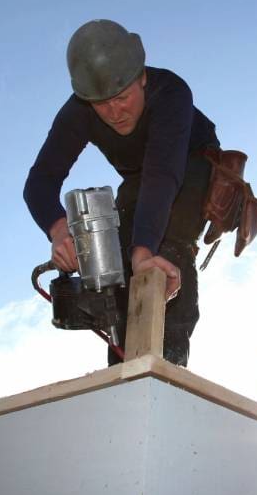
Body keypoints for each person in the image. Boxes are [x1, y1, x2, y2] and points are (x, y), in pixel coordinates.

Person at [23, 19, 219, 367]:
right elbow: (39, 181)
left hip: (189, 162)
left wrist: (144, 253)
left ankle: (166, 365)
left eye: (123, 98)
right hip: (142, 178)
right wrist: (58, 230)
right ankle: (124, 370)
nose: (114, 113)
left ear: (142, 77)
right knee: (122, 264)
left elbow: (163, 174)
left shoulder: (172, 93)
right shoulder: (79, 110)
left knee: (160, 250)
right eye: (101, 104)